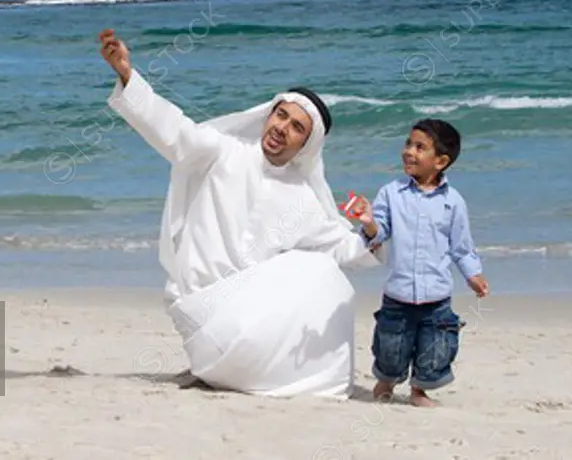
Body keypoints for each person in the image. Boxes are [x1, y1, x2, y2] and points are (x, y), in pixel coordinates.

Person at [98, 28, 380, 398]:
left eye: (297, 127)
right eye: (281, 115)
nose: (282, 128)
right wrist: (127, 75)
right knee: (312, 270)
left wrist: (371, 228)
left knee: (325, 273)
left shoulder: (304, 199)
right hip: (202, 317)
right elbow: (172, 128)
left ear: (306, 145)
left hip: (247, 325)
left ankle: (254, 373)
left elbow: (344, 249)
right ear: (269, 114)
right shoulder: (223, 151)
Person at [349, 118, 489, 407]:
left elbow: (461, 247)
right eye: (408, 143)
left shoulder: (453, 202)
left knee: (435, 348)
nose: (409, 151)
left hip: (437, 296)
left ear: (440, 161)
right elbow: (380, 233)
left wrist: (473, 274)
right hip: (398, 293)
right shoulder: (391, 193)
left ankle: (418, 391)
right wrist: (369, 223)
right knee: (391, 346)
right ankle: (386, 382)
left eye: (419, 147)